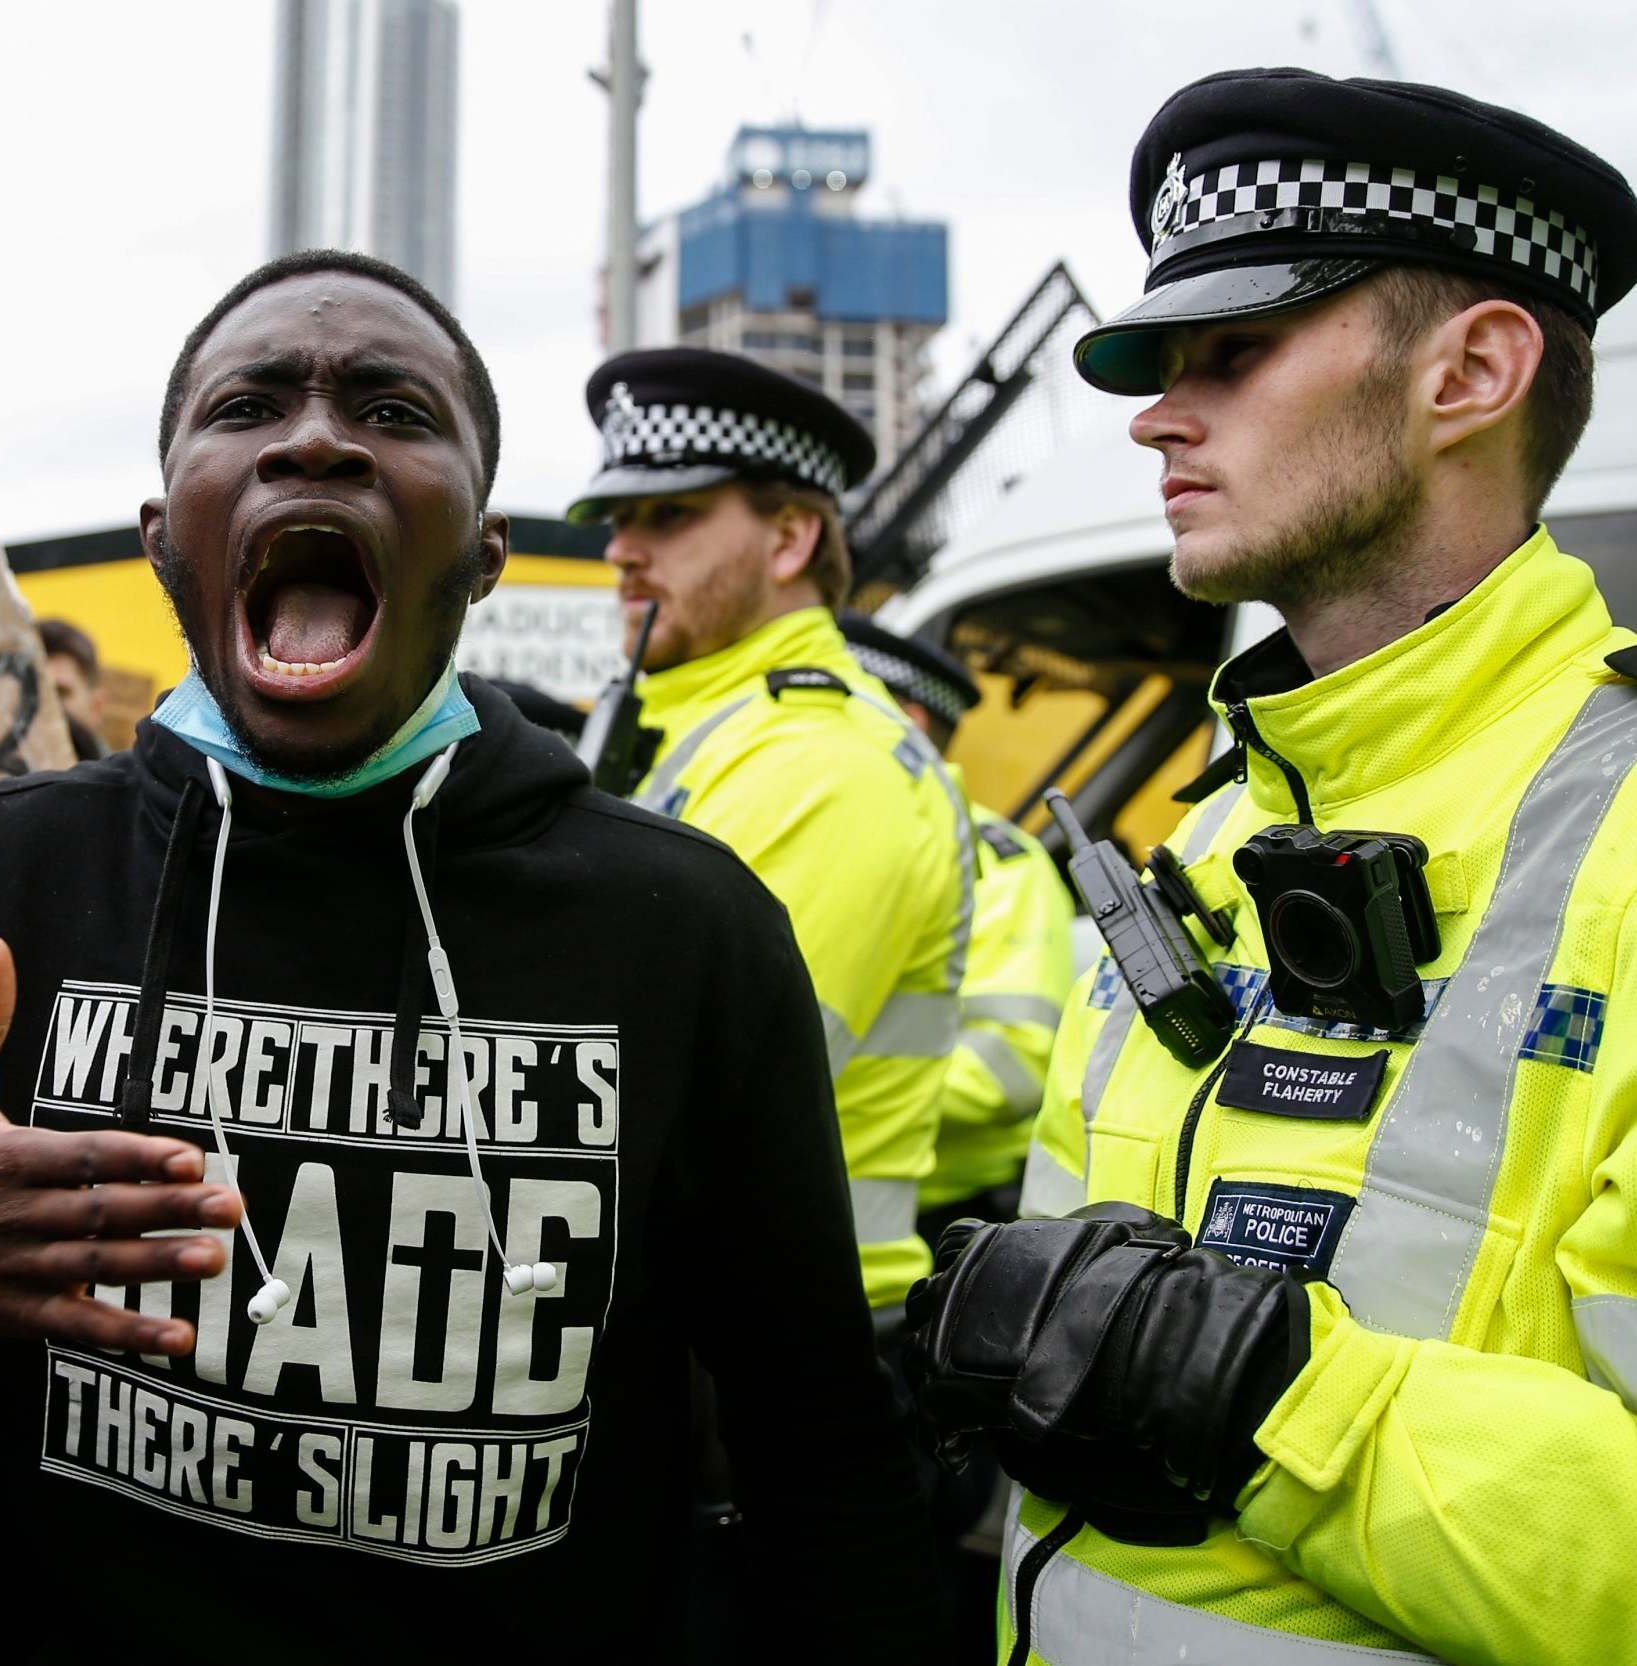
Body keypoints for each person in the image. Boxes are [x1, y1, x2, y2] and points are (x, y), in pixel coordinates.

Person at [0, 248, 946, 1662]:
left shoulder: (684, 926)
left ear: (479, 556)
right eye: (249, 404)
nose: (314, 436)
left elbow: (824, 1454)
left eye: (394, 411)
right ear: (166, 536)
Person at [904, 68, 1637, 1665]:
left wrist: (1259, 1389)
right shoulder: (1215, 832)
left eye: (1232, 355)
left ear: (1477, 370)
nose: (1160, 413)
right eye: (1164, 366)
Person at [567, 349, 975, 1332]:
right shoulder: (714, 727)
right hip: (713, 1323)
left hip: (776, 1353)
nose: (623, 550)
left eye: (669, 516)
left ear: (790, 536)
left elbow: (659, 1099)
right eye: (619, 518)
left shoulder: (823, 764)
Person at [838, 612, 1074, 1658]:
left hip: (934, 1247)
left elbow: (1016, 1064)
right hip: (833, 1243)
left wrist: (862, 1111)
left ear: (905, 720)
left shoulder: (1002, 859)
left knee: (908, 1543)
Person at [38, 616, 111, 759]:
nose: (42, 707)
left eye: (59, 693)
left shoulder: (121, 780)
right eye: (31, 692)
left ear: (96, 706)